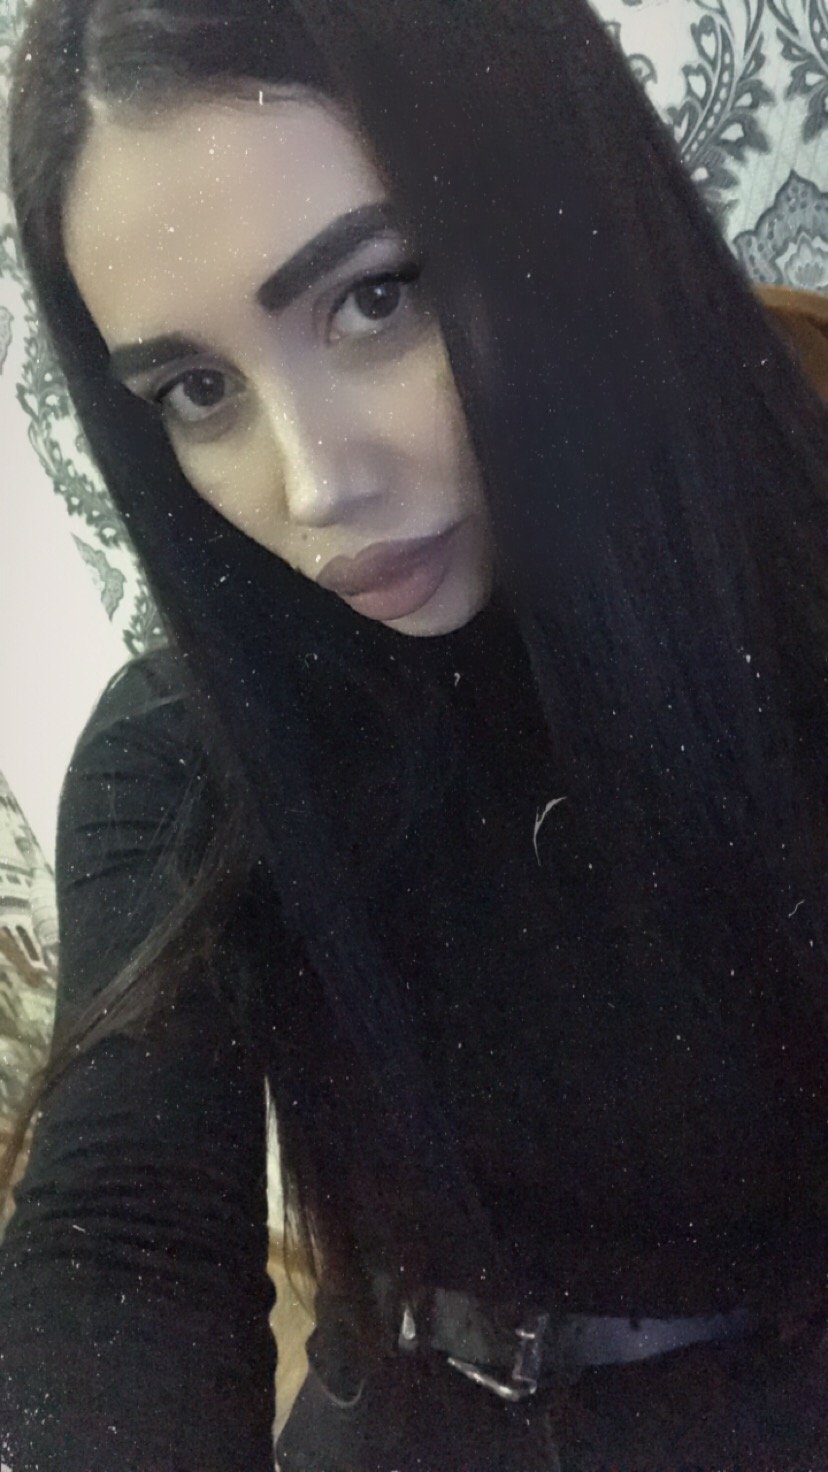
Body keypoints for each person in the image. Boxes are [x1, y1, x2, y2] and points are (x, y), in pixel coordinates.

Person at [1, 1, 826, 1468]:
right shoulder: (184, 753)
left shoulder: (792, 604)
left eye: (376, 297)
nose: (313, 485)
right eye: (198, 391)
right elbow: (121, 1241)